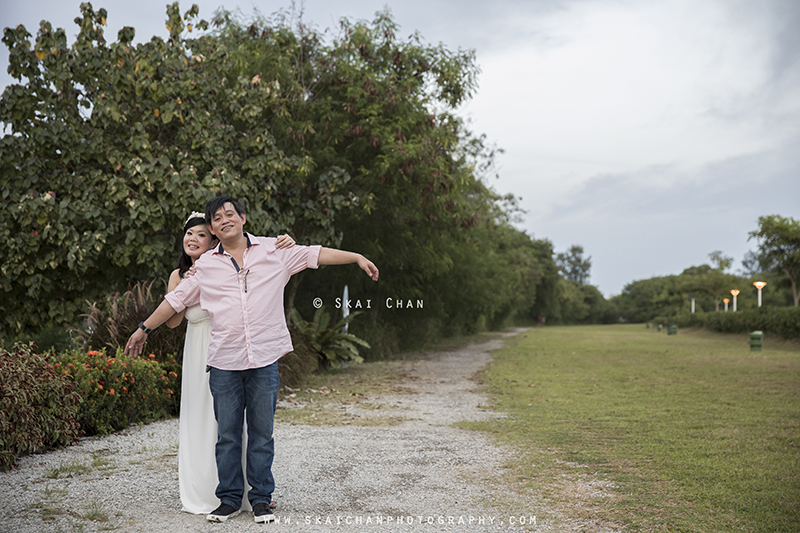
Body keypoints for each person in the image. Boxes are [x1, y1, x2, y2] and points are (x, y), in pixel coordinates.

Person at [125, 195, 379, 524]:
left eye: (229, 214)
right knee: (227, 435)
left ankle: (260, 499)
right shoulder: (205, 266)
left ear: (243, 217)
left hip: (263, 360)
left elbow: (316, 253)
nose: (224, 220)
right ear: (213, 227)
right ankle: (229, 500)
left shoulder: (275, 251)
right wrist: (144, 328)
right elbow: (175, 302)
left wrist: (356, 257)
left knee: (262, 434)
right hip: (224, 362)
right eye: (217, 218)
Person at [165, 212, 294, 514]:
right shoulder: (178, 275)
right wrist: (179, 291)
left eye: (200, 234)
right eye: (189, 234)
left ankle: (252, 494)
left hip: (231, 350)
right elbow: (172, 321)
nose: (192, 240)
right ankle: (208, 491)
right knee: (206, 425)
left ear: (213, 240)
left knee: (241, 427)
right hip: (197, 354)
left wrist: (286, 243)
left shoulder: (226, 267)